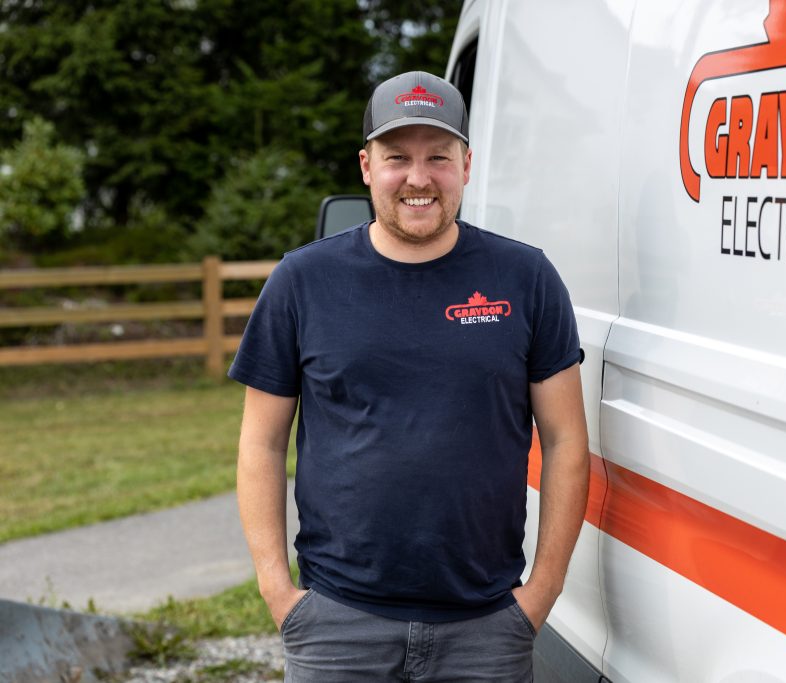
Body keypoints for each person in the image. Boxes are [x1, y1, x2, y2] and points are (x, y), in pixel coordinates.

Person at [230, 70, 589, 682]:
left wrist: (542, 593)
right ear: (367, 166)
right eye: (398, 157)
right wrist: (278, 592)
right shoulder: (302, 282)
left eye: (438, 158)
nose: (419, 178)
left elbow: (565, 441)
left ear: (467, 165)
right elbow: (260, 442)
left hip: (487, 629)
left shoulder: (526, 279)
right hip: (338, 627)